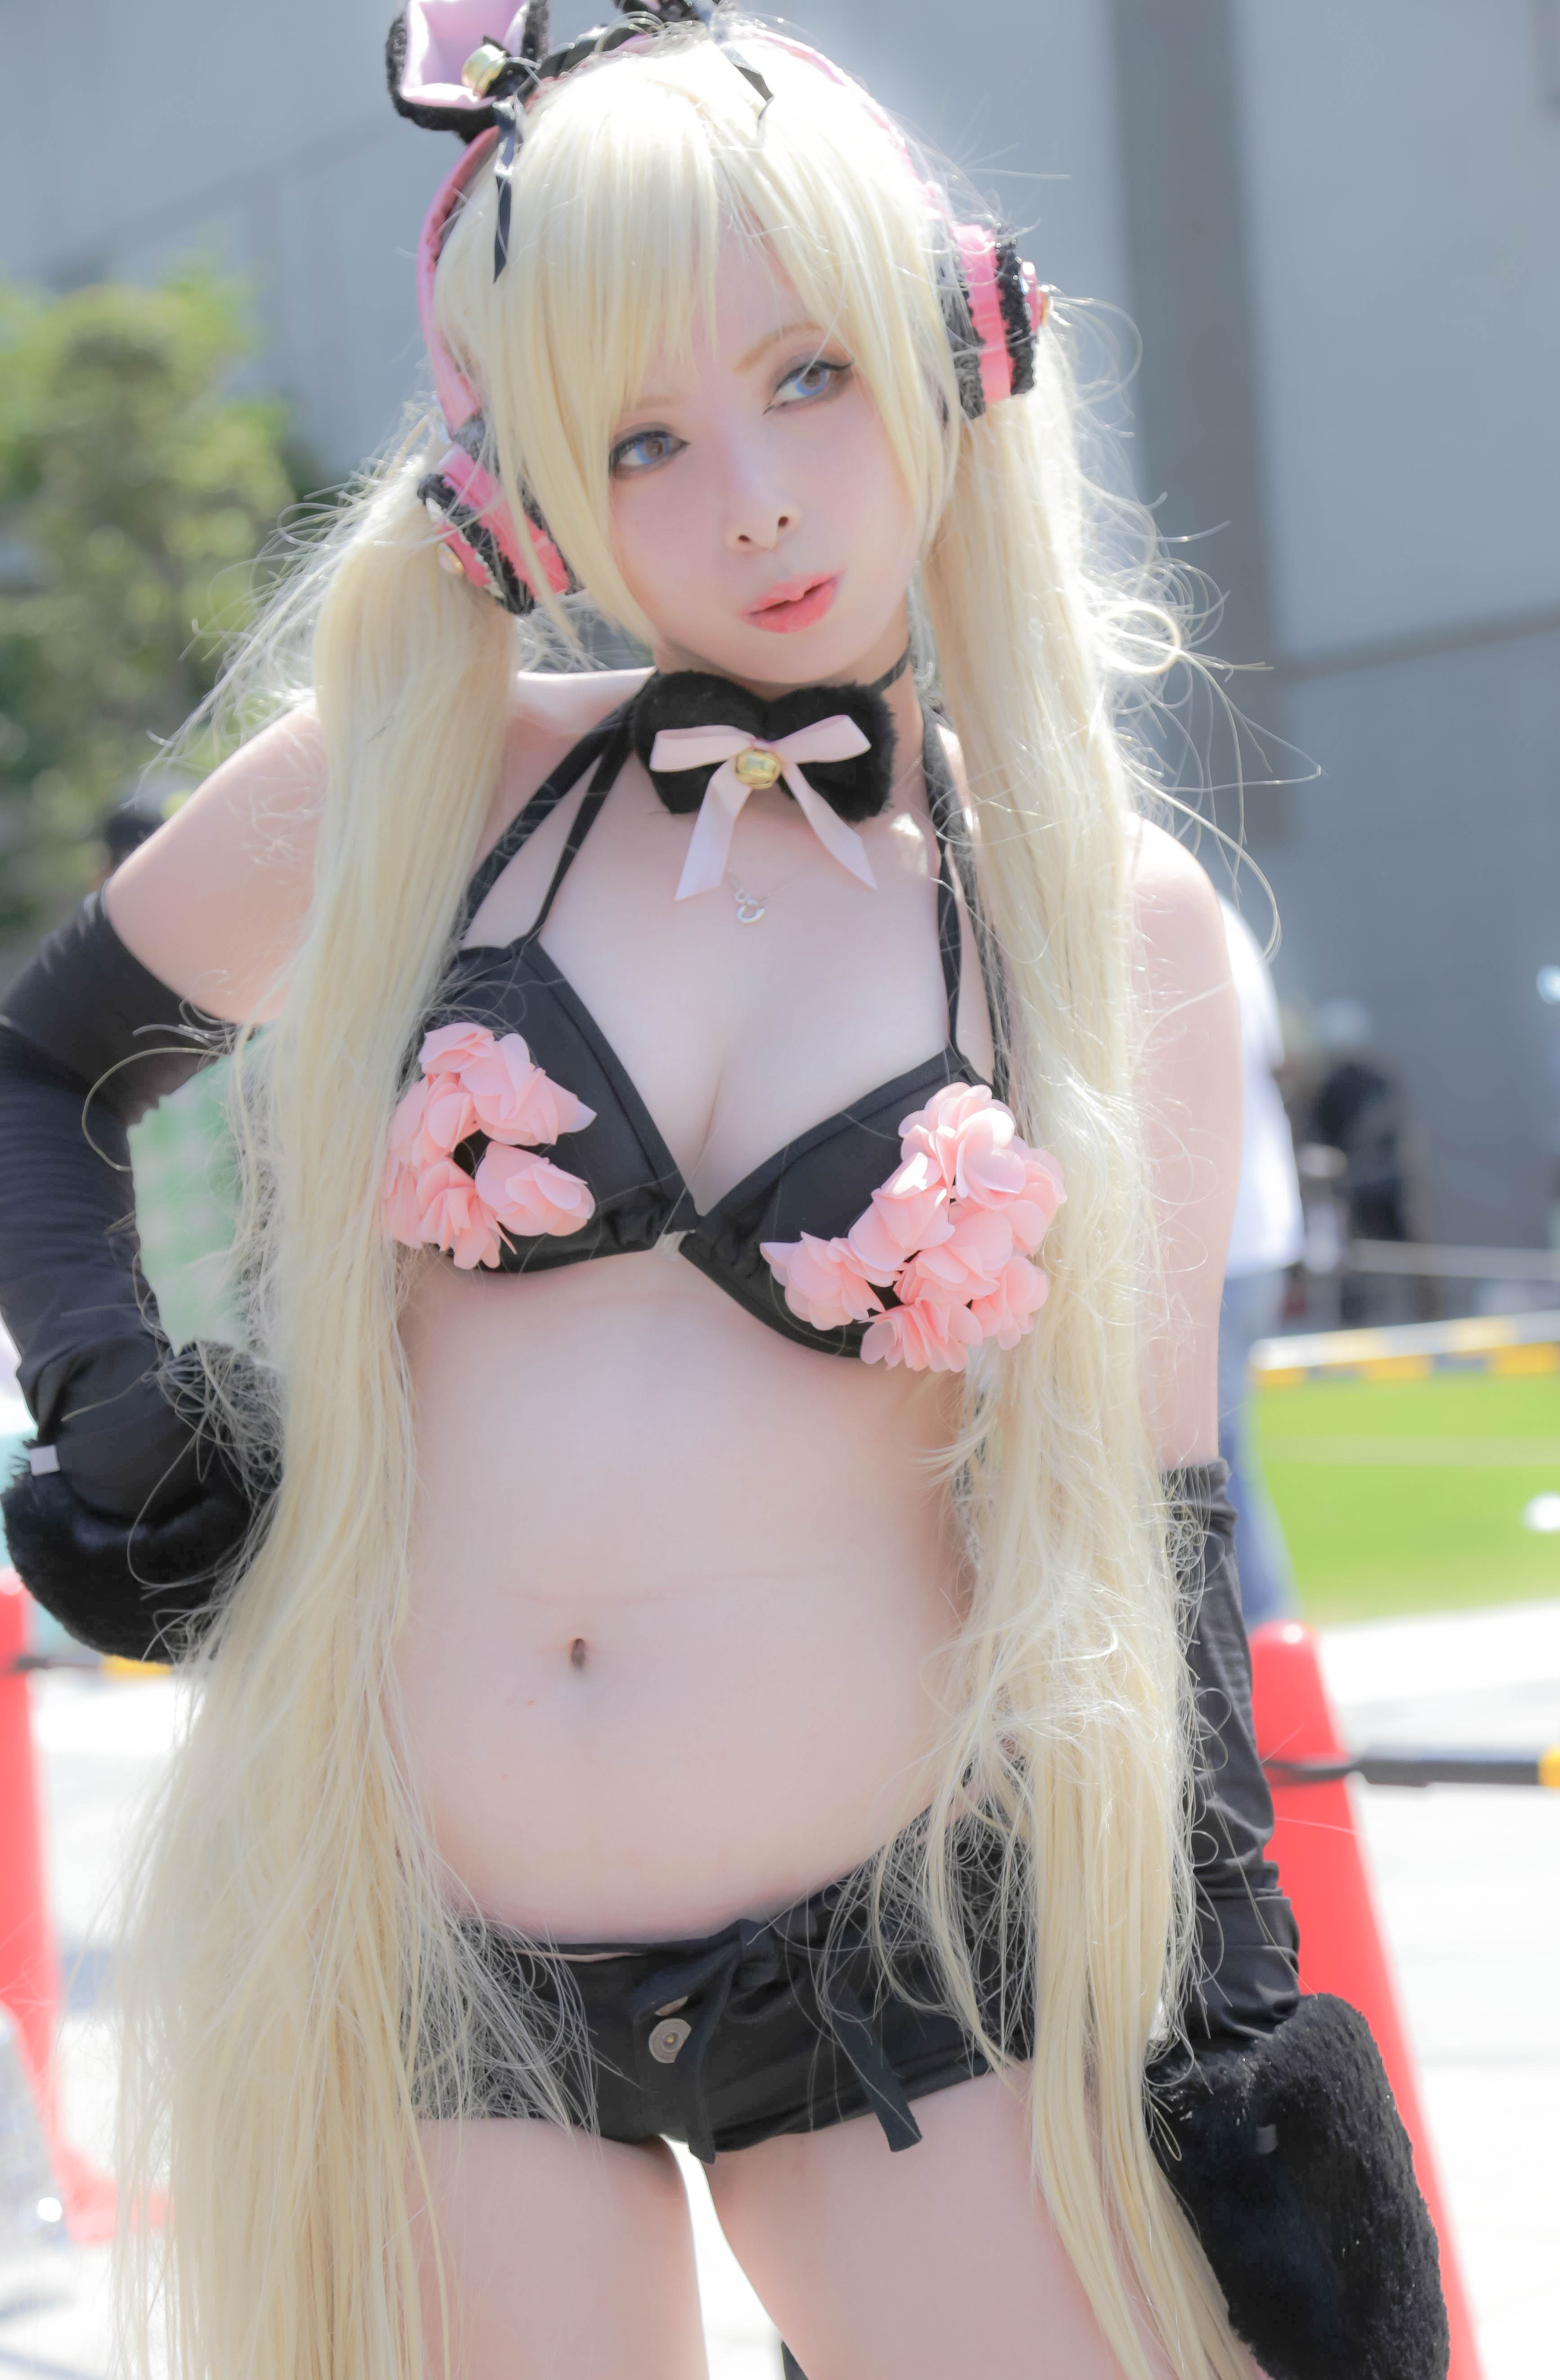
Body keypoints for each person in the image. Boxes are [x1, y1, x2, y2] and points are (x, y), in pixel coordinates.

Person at [0, 9, 1445, 2378]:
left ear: (952, 348)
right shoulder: (423, 778)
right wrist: (110, 1392)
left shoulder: (1104, 921)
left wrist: (1228, 2037)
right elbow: (40, 1062)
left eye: (808, 377)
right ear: (522, 495)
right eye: (641, 439)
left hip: (902, 1979)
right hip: (434, 1971)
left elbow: (1157, 1536)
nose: (754, 500)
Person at [1216, 899, 1301, 1630]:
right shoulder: (1217, 911)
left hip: (1209, 1243)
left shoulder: (1146, 894)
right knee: (1216, 1460)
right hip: (1253, 1235)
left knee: (1201, 1470)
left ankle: (1259, 1651)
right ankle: (1265, 1649)